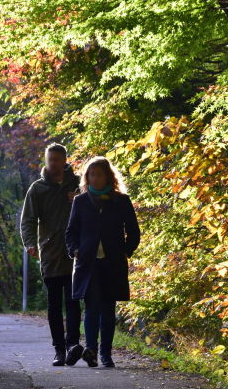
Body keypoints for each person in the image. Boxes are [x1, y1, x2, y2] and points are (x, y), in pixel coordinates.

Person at [65, 156, 141, 368]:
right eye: (92, 174)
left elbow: (134, 232)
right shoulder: (80, 201)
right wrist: (75, 250)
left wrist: (125, 251)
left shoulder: (121, 200)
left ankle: (106, 355)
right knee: (91, 307)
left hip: (113, 264)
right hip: (87, 263)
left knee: (108, 308)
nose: (95, 178)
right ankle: (91, 351)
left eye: (99, 174)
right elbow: (70, 232)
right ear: (87, 177)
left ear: (108, 176)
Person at [20, 143, 84, 367]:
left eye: (57, 159)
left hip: (75, 252)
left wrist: (80, 198)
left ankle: (72, 345)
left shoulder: (79, 185)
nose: (54, 163)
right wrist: (29, 243)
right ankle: (59, 350)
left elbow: (96, 207)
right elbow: (28, 220)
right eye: (50, 159)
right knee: (55, 304)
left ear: (65, 160)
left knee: (74, 301)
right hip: (49, 253)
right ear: (46, 161)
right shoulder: (37, 189)